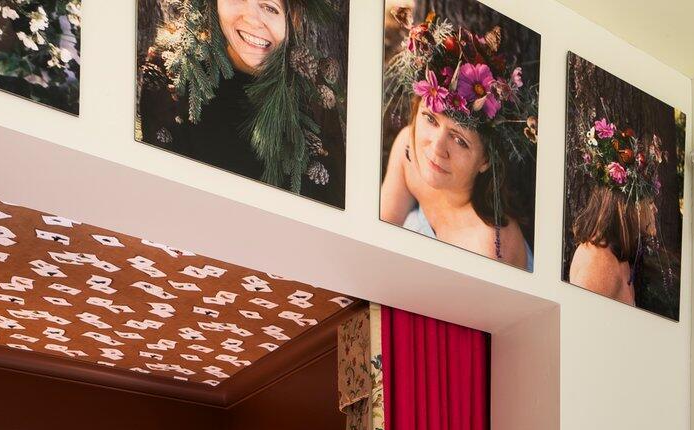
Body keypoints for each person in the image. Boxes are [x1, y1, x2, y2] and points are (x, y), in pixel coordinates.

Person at [136, 0, 345, 206]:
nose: (252, 20)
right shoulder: (174, 73)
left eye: (270, 7)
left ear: (294, 19)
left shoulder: (315, 98)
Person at [380, 12, 537, 270]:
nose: (436, 148)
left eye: (460, 139)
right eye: (430, 119)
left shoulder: (490, 247)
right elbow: (379, 237)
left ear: (485, 160)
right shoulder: (408, 150)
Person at [565, 115, 656, 306]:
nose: (654, 208)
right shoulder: (598, 264)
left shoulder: (616, 258)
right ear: (629, 205)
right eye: (650, 200)